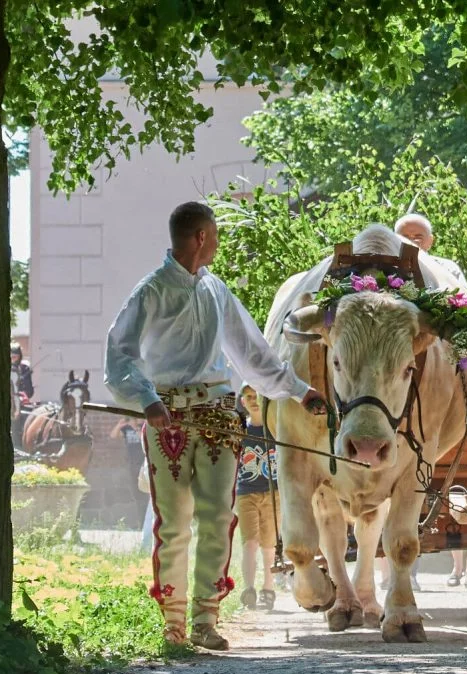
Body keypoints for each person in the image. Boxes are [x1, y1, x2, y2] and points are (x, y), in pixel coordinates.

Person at [105, 201, 326, 650]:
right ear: (202, 237)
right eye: (216, 235)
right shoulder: (150, 292)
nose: (218, 243)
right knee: (173, 522)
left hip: (217, 416)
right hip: (165, 417)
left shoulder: (215, 290)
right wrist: (146, 399)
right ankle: (173, 624)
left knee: (218, 517)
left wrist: (299, 390)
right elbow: (119, 357)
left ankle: (205, 618)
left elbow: (251, 351)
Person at [235, 382, 279, 611]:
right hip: (246, 492)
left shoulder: (274, 429)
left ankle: (268, 587)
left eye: (257, 395)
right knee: (249, 542)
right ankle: (248, 588)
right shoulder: (240, 430)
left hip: (273, 493)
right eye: (248, 396)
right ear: (242, 401)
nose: (252, 400)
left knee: (269, 544)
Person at [393, 213, 467, 293]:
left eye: (418, 237)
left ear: (430, 241)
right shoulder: (386, 269)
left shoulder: (448, 269)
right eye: (404, 238)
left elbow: (464, 301)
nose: (411, 242)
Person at [110, 417, 148, 525]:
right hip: (132, 465)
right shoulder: (127, 428)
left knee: (146, 494)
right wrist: (119, 424)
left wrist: (135, 427)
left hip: (144, 464)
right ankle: (141, 523)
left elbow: (144, 439)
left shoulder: (146, 426)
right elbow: (113, 435)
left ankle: (147, 523)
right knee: (137, 495)